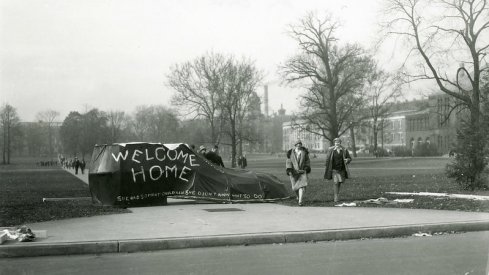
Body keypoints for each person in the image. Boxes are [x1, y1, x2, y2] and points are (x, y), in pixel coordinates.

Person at [324, 137, 352, 202]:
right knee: (335, 182)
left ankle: (337, 194)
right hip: (334, 169)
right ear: (334, 143)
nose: (337, 143)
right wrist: (327, 167)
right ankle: (336, 197)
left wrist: (347, 160)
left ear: (340, 143)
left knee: (339, 182)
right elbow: (327, 159)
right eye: (336, 142)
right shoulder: (331, 150)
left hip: (341, 169)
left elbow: (349, 158)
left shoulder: (344, 150)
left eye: (338, 142)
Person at [286, 139, 311, 206]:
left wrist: (306, 168)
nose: (299, 145)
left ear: (301, 145)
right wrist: (289, 169)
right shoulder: (290, 153)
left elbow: (307, 161)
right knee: (294, 188)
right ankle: (298, 196)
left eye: (300, 144)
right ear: (295, 145)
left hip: (302, 172)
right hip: (293, 172)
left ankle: (300, 201)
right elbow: (289, 162)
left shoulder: (304, 152)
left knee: (301, 186)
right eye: (297, 144)